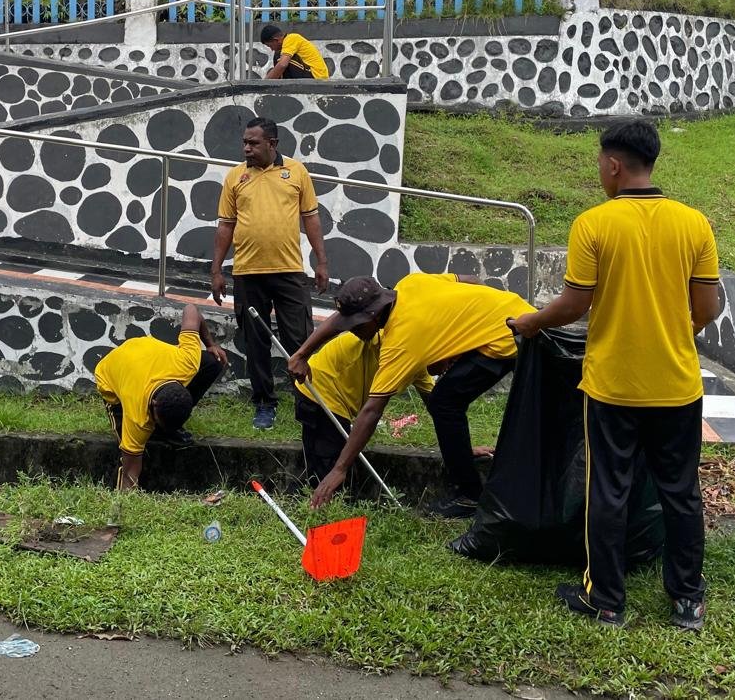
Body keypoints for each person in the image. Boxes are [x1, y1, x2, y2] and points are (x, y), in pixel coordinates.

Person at [510, 120, 721, 631]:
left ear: (613, 164)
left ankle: (605, 600)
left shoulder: (594, 224)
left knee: (609, 490)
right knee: (681, 492)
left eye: (599, 164)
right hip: (677, 386)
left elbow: (574, 305)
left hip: (612, 388)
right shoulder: (695, 224)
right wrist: (672, 330)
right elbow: (707, 308)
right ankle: (687, 601)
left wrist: (532, 322)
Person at [292, 273, 535, 516]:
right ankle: (469, 488)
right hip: (521, 313)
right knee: (444, 401)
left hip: (509, 335)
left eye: (356, 324)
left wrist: (339, 469)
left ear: (373, 315)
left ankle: (469, 496)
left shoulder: (402, 343)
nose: (351, 330)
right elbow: (470, 279)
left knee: (446, 401)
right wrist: (302, 354)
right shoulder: (410, 284)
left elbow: (373, 411)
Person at [211, 116, 328, 430]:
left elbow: (311, 219)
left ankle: (308, 402)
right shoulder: (235, 177)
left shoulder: (297, 172)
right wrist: (216, 270)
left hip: (290, 271)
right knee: (256, 341)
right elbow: (225, 226)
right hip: (248, 272)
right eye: (244, 143)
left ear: (272, 143)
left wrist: (321, 262)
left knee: (300, 340)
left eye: (253, 143)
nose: (246, 148)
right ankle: (264, 403)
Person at [95, 303, 228, 490]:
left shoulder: (187, 364)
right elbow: (130, 473)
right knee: (127, 447)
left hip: (149, 354)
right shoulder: (137, 417)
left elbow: (191, 309)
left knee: (213, 362)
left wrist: (210, 344)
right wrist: (127, 497)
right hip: (111, 373)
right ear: (153, 404)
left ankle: (166, 429)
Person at [294, 329, 434, 485]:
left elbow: (435, 402)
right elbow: (372, 411)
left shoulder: (417, 362)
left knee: (327, 458)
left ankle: (316, 488)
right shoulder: (377, 338)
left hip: (334, 394)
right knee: (328, 463)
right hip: (320, 387)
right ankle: (319, 494)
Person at [259, 23, 329, 80]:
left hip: (316, 77)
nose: (271, 49)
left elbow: (282, 65)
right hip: (310, 74)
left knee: (281, 59)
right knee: (279, 57)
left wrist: (265, 83)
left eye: (270, 46)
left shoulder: (291, 38)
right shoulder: (287, 43)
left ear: (276, 40)